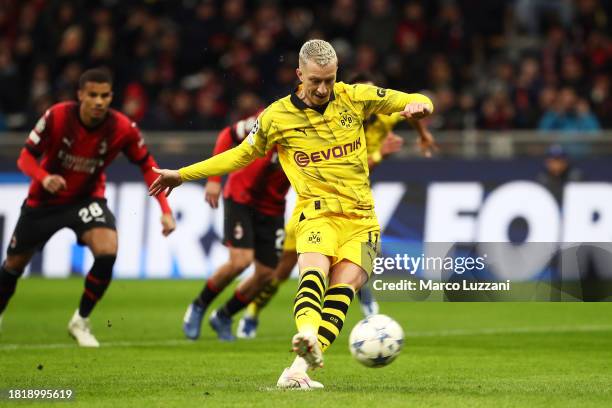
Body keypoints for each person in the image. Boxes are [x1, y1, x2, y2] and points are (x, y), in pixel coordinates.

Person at [149, 39, 433, 389]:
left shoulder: (355, 97)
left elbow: (413, 100)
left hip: (363, 221)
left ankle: (298, 367)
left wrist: (421, 107)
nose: (323, 88)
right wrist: (184, 174)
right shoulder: (276, 117)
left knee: (342, 293)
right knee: (313, 278)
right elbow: (239, 155)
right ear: (300, 74)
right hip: (317, 215)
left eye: (329, 79)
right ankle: (307, 335)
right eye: (315, 80)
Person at [236, 72, 437, 339]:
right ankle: (253, 312)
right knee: (282, 269)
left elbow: (409, 111)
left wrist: (422, 133)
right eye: (363, 93)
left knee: (362, 247)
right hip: (318, 206)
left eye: (372, 94)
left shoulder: (382, 117)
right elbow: (363, 162)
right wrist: (379, 154)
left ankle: (363, 293)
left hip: (355, 201)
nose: (367, 101)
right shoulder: (337, 119)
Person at [0, 68, 176, 347]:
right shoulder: (56, 117)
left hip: (86, 199)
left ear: (111, 97)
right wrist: (44, 178)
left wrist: (165, 210)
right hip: (44, 201)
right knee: (14, 266)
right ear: (80, 95)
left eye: (105, 95)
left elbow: (147, 165)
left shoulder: (122, 128)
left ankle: (80, 321)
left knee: (108, 249)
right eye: (92, 95)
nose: (99, 101)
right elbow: (25, 159)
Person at [182, 112, 291, 341]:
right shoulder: (273, 117)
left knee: (266, 274)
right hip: (241, 197)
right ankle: (198, 306)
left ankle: (223, 315)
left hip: (273, 207)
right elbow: (227, 135)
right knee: (240, 261)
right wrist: (213, 180)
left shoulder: (321, 129)